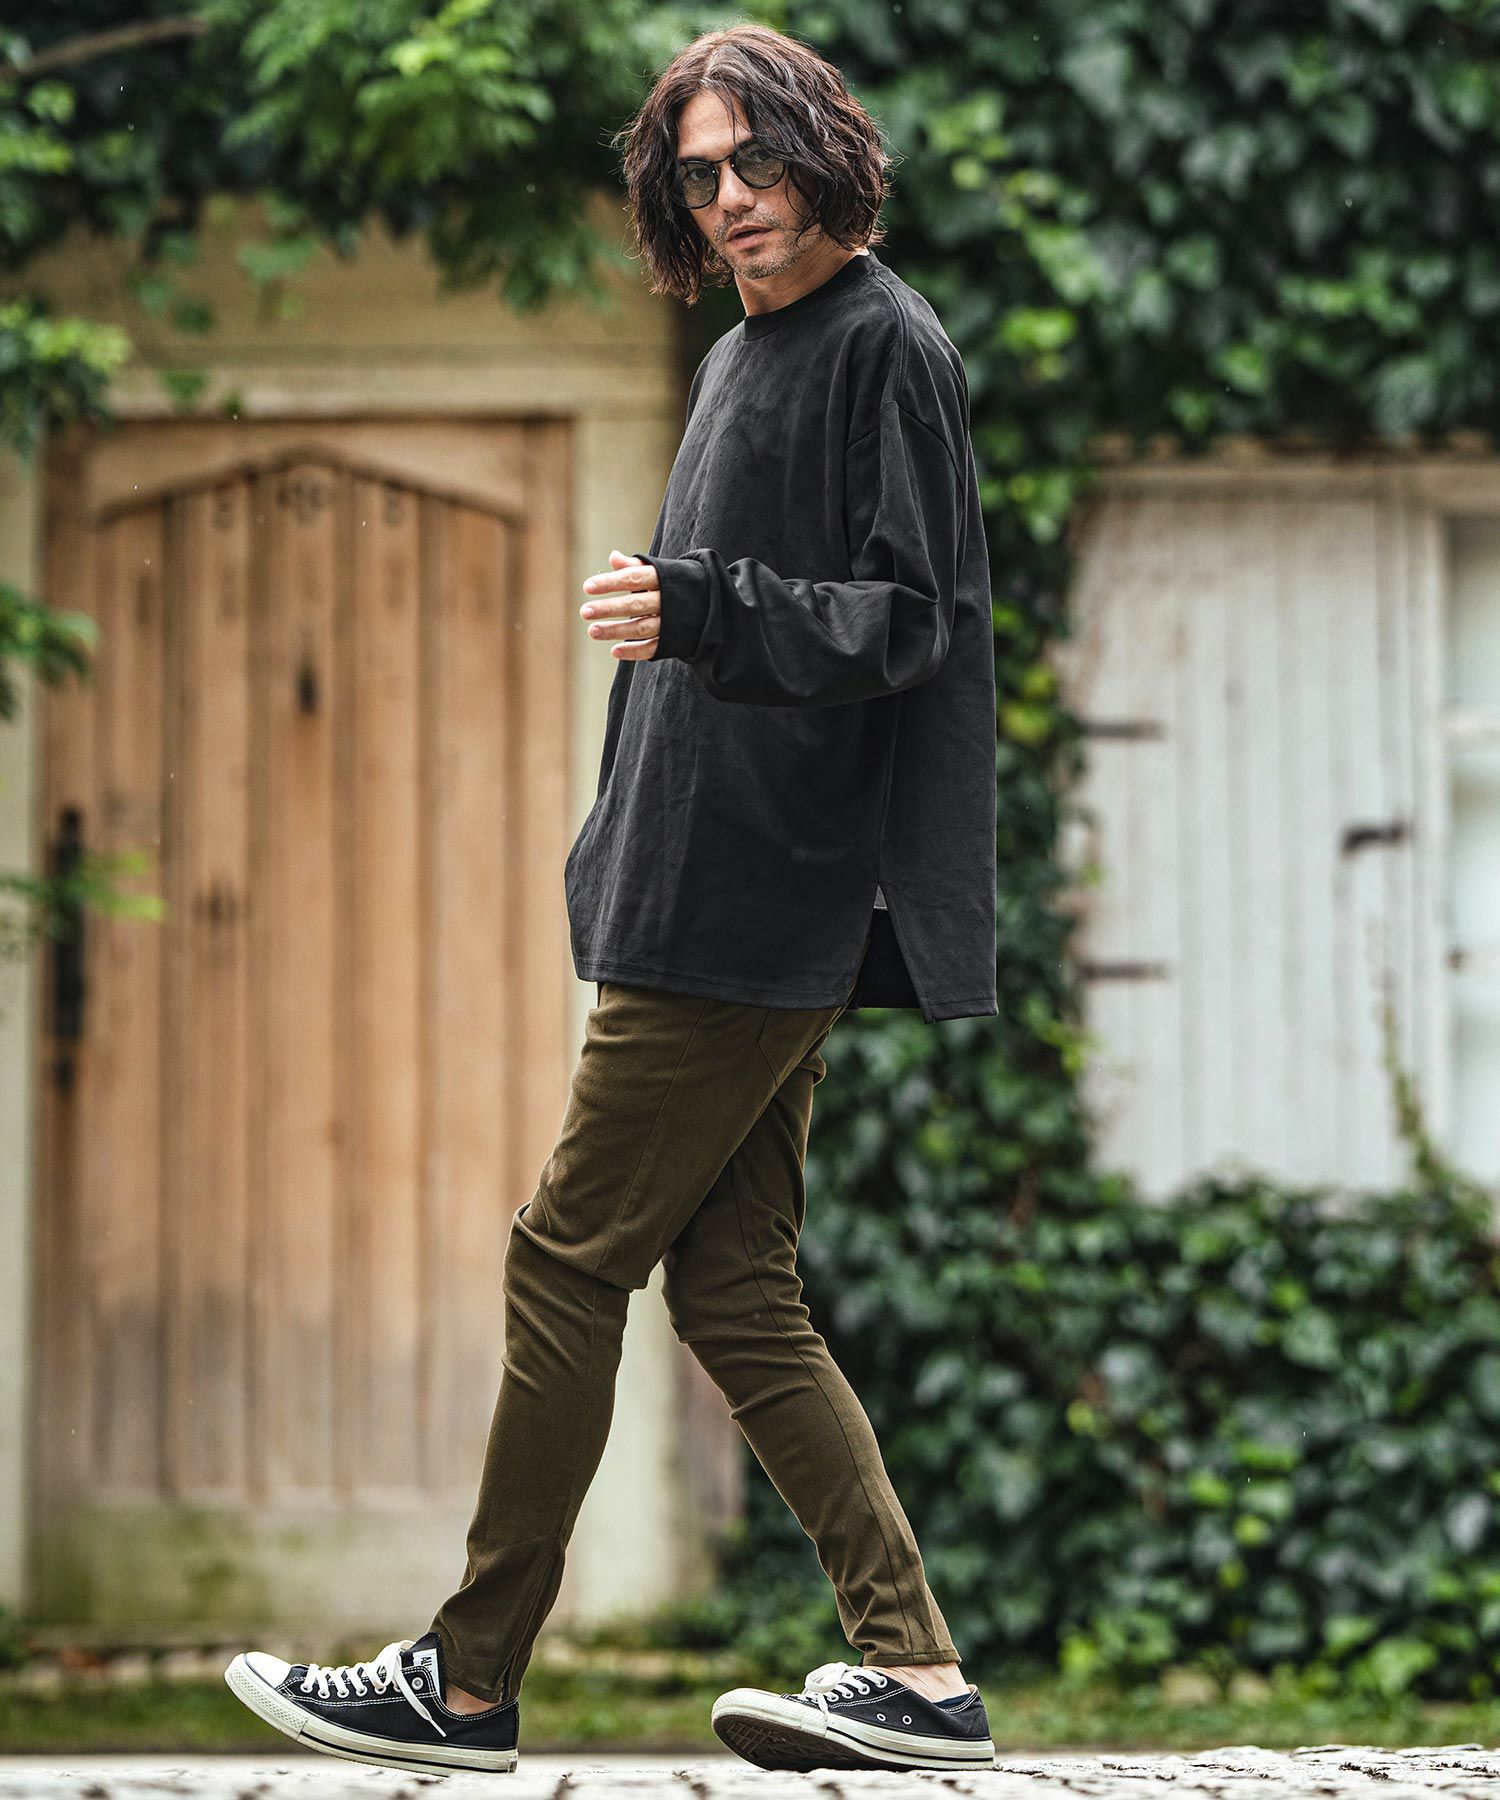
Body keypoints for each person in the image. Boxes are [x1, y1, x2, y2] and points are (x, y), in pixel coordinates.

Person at [223, 20, 997, 1778]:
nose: (733, 198)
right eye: (701, 174)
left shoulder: (886, 345)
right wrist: (615, 834)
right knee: (736, 1296)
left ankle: (465, 1679)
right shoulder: (741, 355)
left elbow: (910, 621)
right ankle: (918, 1676)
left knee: (565, 1258)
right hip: (685, 876)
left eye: (759, 161)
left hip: (757, 895)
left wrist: (701, 606)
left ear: (825, 152)